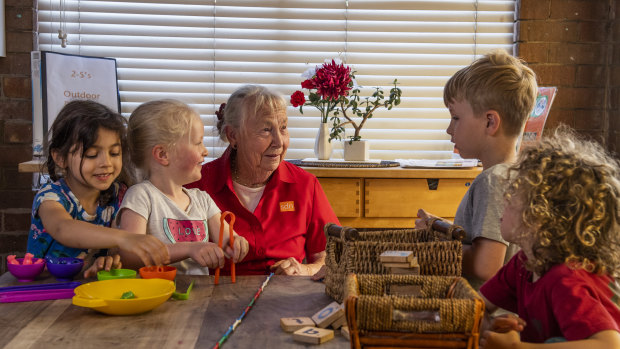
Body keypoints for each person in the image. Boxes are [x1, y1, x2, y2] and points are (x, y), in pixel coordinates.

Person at [479, 126, 620, 348]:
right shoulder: (524, 263)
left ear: (540, 215)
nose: (504, 201)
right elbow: (478, 305)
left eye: (513, 194)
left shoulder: (567, 278)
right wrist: (487, 324)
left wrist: (517, 347)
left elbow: (609, 345)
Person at [415, 49, 538, 289]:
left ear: (490, 122)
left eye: (456, 118)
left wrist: (433, 248)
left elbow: (486, 265)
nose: (449, 129)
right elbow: (487, 243)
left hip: (485, 314)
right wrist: (445, 230)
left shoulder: (493, 181)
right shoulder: (515, 174)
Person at [185, 85, 339, 276]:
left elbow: (334, 257)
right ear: (233, 136)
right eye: (266, 130)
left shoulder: (305, 185)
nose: (279, 142)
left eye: (283, 128)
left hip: (287, 298)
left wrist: (305, 269)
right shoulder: (197, 186)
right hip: (218, 298)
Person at [27, 100, 169, 278]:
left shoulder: (119, 195)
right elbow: (63, 228)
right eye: (92, 155)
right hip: (45, 292)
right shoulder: (50, 197)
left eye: (114, 153)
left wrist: (111, 259)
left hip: (91, 289)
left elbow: (116, 252)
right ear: (60, 158)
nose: (106, 163)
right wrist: (124, 237)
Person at [117, 99, 249, 275]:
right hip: (157, 299)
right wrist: (189, 249)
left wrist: (237, 244)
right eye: (198, 143)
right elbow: (130, 257)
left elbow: (227, 241)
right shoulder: (141, 196)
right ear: (163, 154)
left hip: (201, 299)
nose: (205, 151)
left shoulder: (202, 200)